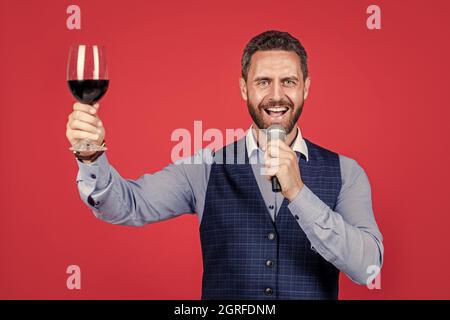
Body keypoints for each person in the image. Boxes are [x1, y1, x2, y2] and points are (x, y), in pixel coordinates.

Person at [66, 30, 383, 299]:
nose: (276, 96)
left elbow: (368, 267)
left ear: (306, 88)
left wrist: (299, 193)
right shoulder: (204, 168)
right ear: (244, 88)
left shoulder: (346, 172)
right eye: (262, 82)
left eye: (288, 81)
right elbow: (128, 205)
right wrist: (91, 157)